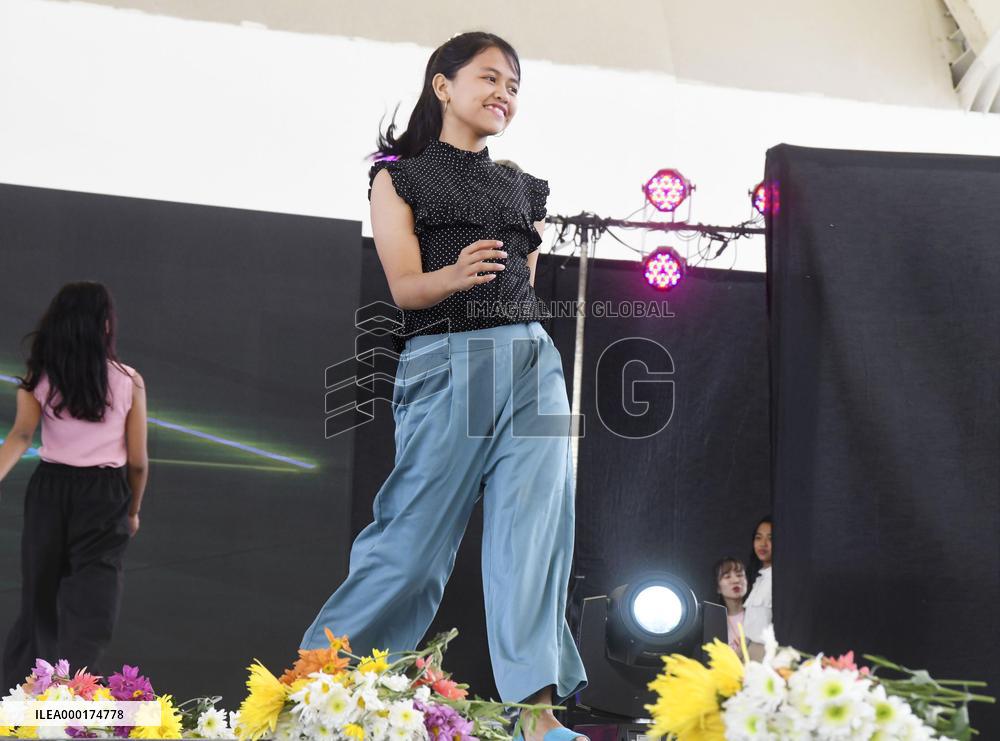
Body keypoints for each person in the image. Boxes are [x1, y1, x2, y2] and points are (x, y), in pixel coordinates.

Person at [299, 32, 588, 741]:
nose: (504, 95)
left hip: (533, 362)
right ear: (443, 85)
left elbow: (523, 276)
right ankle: (312, 692)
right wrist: (453, 275)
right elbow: (404, 287)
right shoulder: (399, 176)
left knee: (535, 540)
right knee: (411, 544)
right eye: (490, 78)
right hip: (449, 361)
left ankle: (537, 719)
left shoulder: (523, 186)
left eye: (515, 86)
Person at [0, 282, 148, 689]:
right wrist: (132, 511)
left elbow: (19, 437)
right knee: (92, 608)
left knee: (39, 603)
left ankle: (20, 701)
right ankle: (73, 704)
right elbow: (137, 461)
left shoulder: (39, 377)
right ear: (104, 326)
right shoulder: (128, 380)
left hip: (49, 492)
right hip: (105, 496)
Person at [743, 516, 773, 660]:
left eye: (770, 539)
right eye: (758, 538)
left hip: (768, 653)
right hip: (748, 650)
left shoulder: (781, 580)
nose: (763, 544)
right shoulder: (757, 578)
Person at [712, 556, 748, 654]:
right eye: (727, 576)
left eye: (740, 575)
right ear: (718, 588)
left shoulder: (759, 614)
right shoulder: (714, 624)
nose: (735, 580)